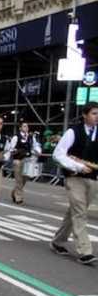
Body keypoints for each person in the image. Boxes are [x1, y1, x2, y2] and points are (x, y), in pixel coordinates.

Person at [50, 102, 98, 265]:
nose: (97, 116)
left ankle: (58, 241)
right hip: (74, 177)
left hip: (93, 179)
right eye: (94, 113)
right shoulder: (73, 131)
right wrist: (77, 166)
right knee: (80, 212)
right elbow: (58, 154)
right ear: (85, 115)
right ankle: (85, 251)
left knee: (75, 212)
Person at [7, 122, 42, 204]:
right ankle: (19, 198)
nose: (26, 127)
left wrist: (38, 151)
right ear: (20, 128)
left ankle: (14, 192)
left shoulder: (31, 137)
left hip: (28, 160)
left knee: (25, 179)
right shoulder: (16, 137)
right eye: (24, 126)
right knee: (18, 179)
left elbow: (35, 145)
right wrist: (16, 151)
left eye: (27, 126)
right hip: (18, 160)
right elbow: (11, 148)